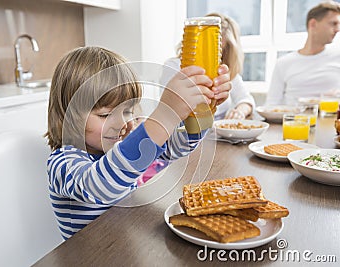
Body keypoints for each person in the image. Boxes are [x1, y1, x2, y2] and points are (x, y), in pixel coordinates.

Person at [45, 46, 231, 240]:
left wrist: (203, 110)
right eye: (105, 115)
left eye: (127, 111)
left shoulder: (117, 148)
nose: (122, 123)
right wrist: (165, 115)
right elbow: (100, 186)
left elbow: (172, 148)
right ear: (69, 116)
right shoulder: (63, 162)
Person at [160, 12, 255, 120]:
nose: (212, 55)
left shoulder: (223, 70)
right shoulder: (174, 67)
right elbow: (168, 114)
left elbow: (246, 99)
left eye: (219, 50)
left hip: (217, 134)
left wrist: (239, 112)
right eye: (208, 46)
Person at [266, 1, 340, 105]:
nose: (338, 29)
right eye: (333, 23)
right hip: (295, 120)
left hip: (330, 118)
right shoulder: (283, 63)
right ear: (313, 24)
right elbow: (271, 104)